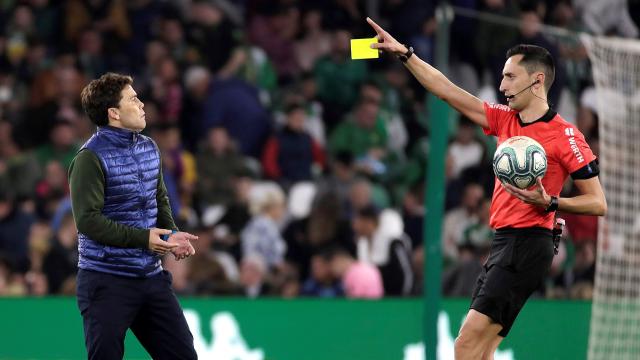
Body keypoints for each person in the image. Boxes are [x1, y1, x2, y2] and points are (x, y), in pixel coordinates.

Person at [367, 18, 607, 360]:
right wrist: (406, 54)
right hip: (503, 242)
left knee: (466, 344)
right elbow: (447, 90)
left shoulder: (566, 136)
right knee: (484, 350)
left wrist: (550, 201)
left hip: (529, 243)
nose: (502, 84)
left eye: (510, 76)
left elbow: (598, 203)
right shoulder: (504, 119)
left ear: (537, 80)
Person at [69, 73, 198, 360]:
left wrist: (170, 233)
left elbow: (159, 198)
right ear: (114, 113)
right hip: (105, 281)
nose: (141, 104)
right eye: (133, 99)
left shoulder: (149, 147)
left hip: (151, 278)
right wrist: (144, 239)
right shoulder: (89, 159)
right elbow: (88, 221)